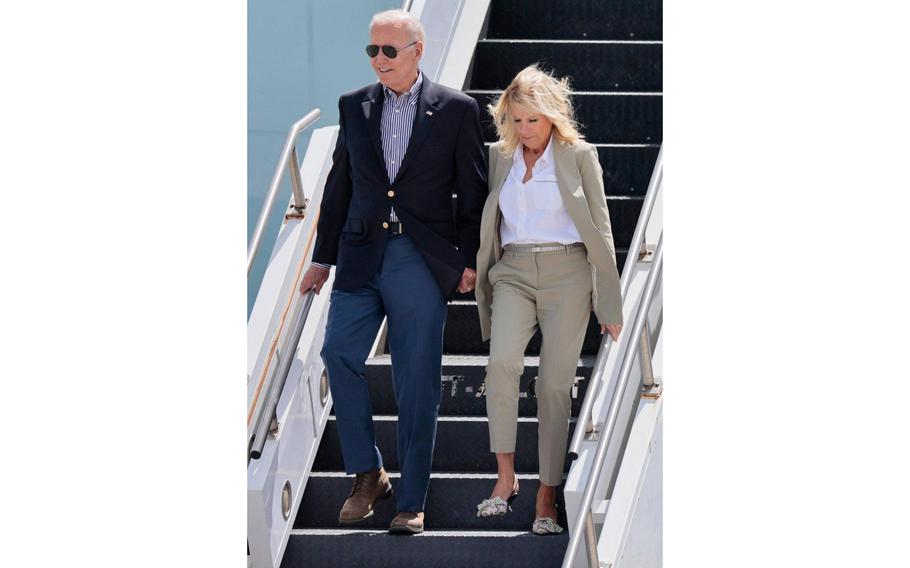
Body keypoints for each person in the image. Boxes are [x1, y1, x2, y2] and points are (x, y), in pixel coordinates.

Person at [298, 9, 486, 535]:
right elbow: (339, 186)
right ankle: (367, 472)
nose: (378, 60)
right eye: (371, 51)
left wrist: (467, 258)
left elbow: (472, 190)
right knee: (337, 352)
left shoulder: (456, 109)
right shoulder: (353, 106)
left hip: (420, 258)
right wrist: (322, 257)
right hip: (361, 254)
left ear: (417, 51)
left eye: (389, 51)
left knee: (416, 381)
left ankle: (411, 499)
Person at [473, 65, 623, 535]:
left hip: (569, 272)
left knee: (555, 384)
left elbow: (600, 226)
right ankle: (505, 477)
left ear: (552, 116)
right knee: (501, 364)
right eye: (515, 120)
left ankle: (546, 493)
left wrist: (610, 304)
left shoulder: (578, 155)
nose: (523, 130)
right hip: (514, 270)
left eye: (532, 120)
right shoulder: (500, 157)